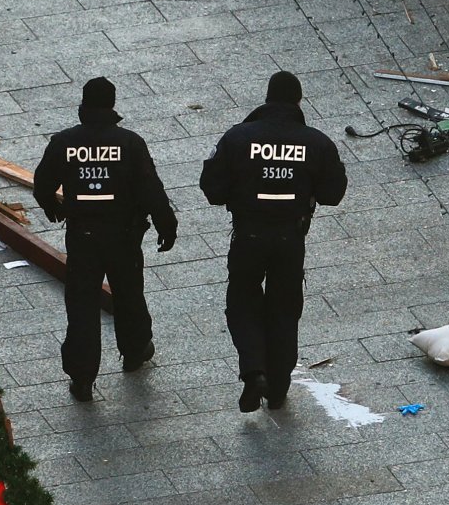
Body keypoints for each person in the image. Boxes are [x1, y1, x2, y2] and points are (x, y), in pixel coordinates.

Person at [199, 71, 346, 412]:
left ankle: (253, 372)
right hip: (290, 239)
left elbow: (212, 189)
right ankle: (278, 388)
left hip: (248, 235)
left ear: (266, 99)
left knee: (242, 302)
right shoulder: (317, 142)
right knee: (284, 309)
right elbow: (333, 193)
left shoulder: (237, 138)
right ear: (298, 102)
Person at [33, 78, 176, 401]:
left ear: (83, 105)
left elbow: (42, 183)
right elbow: (150, 189)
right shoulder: (130, 144)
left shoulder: (64, 143)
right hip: (124, 235)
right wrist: (167, 225)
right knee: (129, 294)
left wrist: (53, 207)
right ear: (112, 105)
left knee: (82, 305)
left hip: (83, 236)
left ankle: (83, 377)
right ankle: (135, 350)